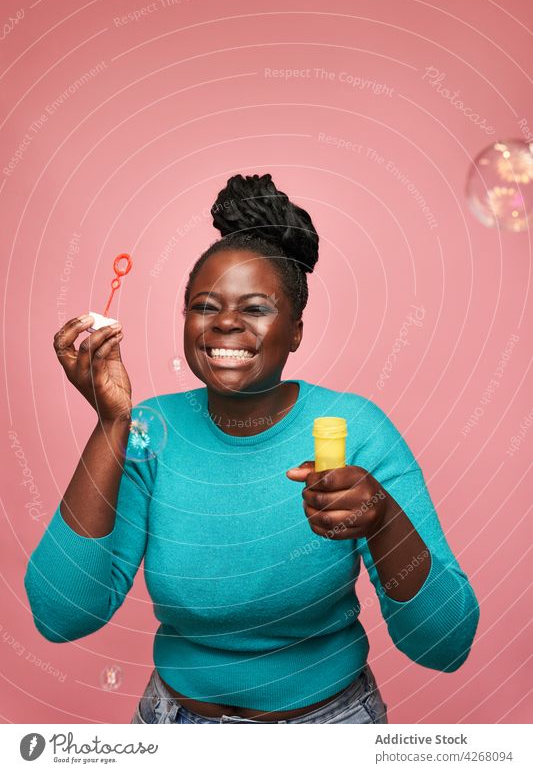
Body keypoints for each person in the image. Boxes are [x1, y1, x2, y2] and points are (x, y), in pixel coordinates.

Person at [24, 173, 480, 724]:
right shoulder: (148, 429)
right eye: (204, 305)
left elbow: (445, 645)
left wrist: (384, 522)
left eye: (257, 308)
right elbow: (62, 614)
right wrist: (111, 421)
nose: (227, 322)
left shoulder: (355, 429)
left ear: (296, 331)